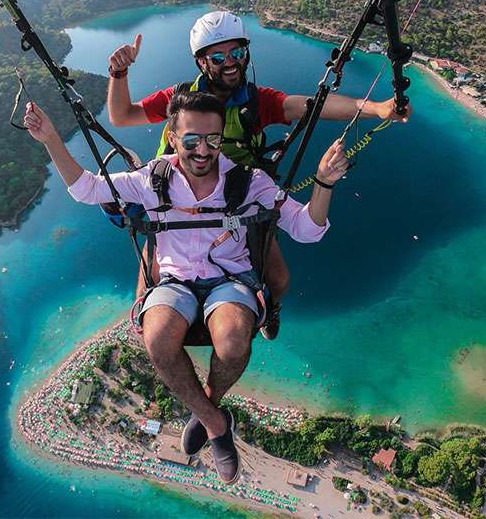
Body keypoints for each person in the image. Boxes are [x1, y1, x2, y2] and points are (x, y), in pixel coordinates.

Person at [22, 91, 349, 484]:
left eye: (213, 139)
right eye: (191, 140)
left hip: (229, 280)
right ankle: (215, 423)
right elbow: (88, 189)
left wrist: (324, 184)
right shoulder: (153, 179)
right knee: (157, 338)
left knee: (231, 343)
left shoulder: (247, 182)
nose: (203, 150)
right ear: (173, 138)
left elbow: (306, 229)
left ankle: (206, 409)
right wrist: (52, 141)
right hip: (175, 280)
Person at [106, 10, 410, 339]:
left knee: (278, 280)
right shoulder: (180, 100)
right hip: (177, 198)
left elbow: (311, 106)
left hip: (238, 198)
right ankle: (155, 329)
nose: (230, 62)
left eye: (237, 53)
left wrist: (378, 110)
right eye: (218, 56)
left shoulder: (256, 102)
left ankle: (270, 308)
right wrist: (119, 73)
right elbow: (122, 116)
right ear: (202, 62)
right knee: (148, 282)